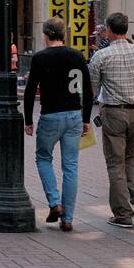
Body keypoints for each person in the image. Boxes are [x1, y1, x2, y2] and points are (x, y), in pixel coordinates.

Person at [88, 13, 134, 228]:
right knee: (131, 157)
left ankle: (122, 213)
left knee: (115, 162)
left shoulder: (101, 56)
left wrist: (87, 113)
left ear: (109, 30)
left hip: (114, 112)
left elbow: (93, 90)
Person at [24, 18, 93, 232]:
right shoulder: (76, 55)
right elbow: (88, 89)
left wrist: (28, 120)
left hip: (51, 115)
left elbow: (30, 90)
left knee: (43, 157)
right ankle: (68, 218)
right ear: (64, 34)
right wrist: (86, 119)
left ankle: (55, 203)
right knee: (70, 166)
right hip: (74, 114)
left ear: (46, 34)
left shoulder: (40, 57)